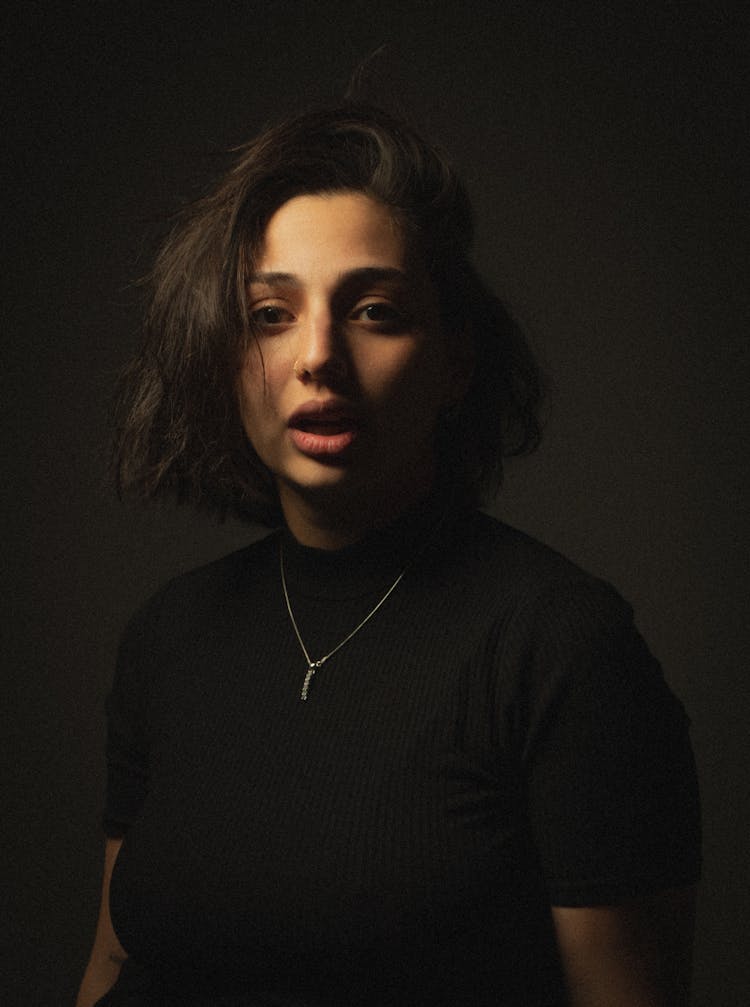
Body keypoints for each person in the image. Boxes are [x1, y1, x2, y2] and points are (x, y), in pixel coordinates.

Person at [76, 104, 701, 1007]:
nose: (318, 356)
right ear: (222, 357)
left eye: (374, 310)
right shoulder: (166, 636)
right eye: (269, 313)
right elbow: (111, 965)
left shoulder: (564, 647)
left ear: (454, 362)